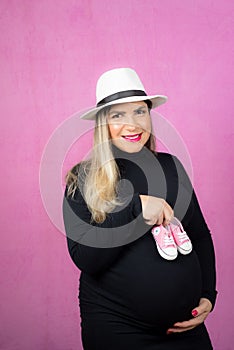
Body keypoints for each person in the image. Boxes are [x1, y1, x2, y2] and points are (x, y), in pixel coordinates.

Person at [63, 68, 217, 349]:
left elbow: (200, 235)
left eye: (139, 112)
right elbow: (86, 259)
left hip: (186, 331)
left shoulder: (171, 167)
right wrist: (135, 208)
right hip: (119, 330)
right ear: (102, 125)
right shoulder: (82, 178)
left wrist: (208, 294)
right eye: (117, 115)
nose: (132, 125)